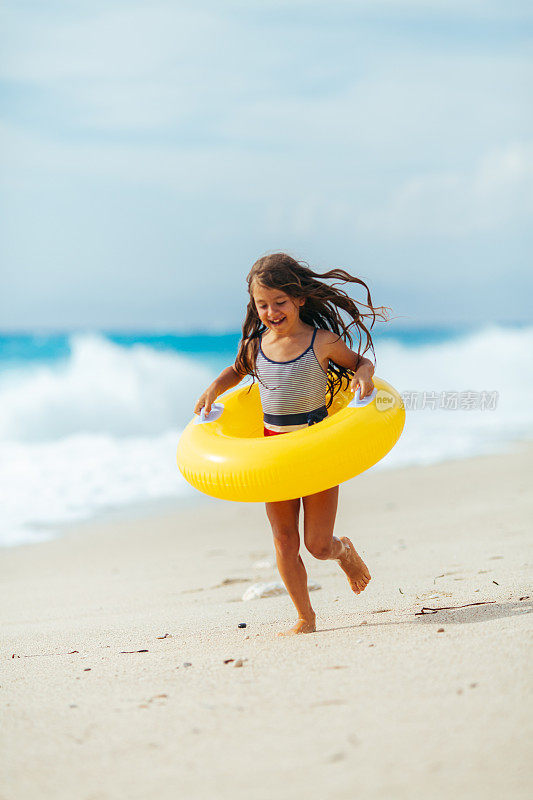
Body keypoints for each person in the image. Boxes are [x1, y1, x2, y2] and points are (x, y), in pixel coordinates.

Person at [194, 253, 390, 635]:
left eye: (279, 302)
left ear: (300, 299)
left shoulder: (321, 341)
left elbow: (361, 363)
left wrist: (364, 377)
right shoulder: (255, 345)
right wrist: (214, 389)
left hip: (317, 452)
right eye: (261, 304)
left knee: (317, 545)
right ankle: (306, 617)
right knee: (285, 542)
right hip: (275, 455)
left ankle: (343, 551)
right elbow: (235, 371)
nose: (270, 311)